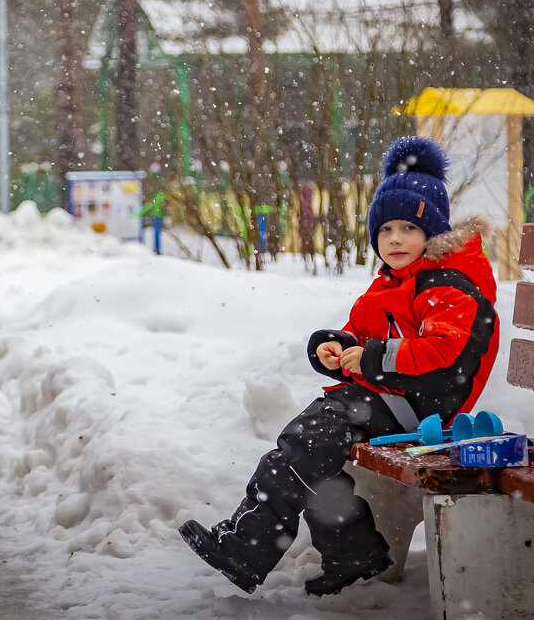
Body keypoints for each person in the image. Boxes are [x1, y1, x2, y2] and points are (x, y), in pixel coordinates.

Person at [179, 135, 499, 597]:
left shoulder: (446, 282)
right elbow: (364, 336)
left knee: (305, 444)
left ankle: (247, 546)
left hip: (421, 407)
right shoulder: (393, 283)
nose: (394, 239)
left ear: (432, 233)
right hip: (388, 397)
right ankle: (354, 553)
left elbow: (444, 354)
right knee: (308, 449)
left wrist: (370, 360)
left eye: (408, 229)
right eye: (385, 230)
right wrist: (336, 347)